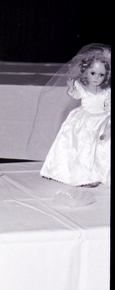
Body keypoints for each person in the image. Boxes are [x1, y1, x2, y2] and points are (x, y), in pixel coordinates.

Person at [40, 44, 111, 186]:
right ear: (86, 72)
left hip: (101, 120)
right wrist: (71, 89)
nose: (97, 78)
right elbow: (76, 95)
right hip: (84, 120)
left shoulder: (106, 91)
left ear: (106, 76)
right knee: (82, 146)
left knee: (101, 148)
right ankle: (80, 176)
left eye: (101, 75)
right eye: (93, 73)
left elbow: (108, 105)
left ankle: (98, 174)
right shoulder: (82, 87)